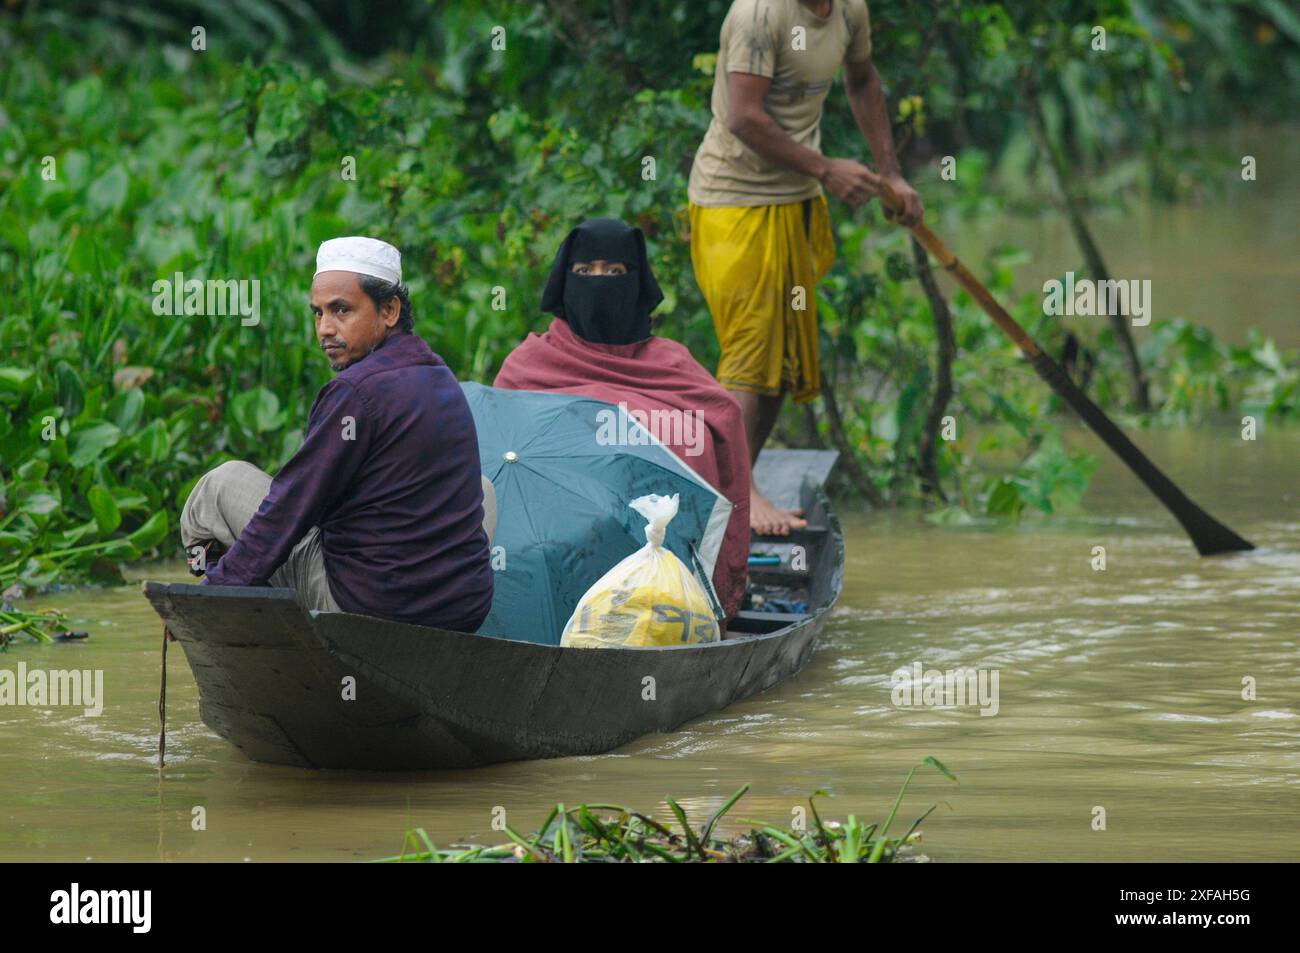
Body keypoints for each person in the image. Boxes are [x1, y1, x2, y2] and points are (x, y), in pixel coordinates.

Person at [687, 0, 924, 534]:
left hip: (793, 201)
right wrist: (826, 168)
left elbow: (863, 82)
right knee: (750, 350)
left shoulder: (848, 12)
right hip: (733, 201)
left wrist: (890, 173)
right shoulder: (758, 16)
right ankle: (740, 493)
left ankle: (739, 482)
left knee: (779, 361)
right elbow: (743, 116)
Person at [180, 236, 495, 633]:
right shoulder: (441, 376)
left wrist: (214, 589)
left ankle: (219, 596)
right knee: (483, 488)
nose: (325, 330)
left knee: (219, 487)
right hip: (460, 609)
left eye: (341, 310)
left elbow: (289, 508)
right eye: (318, 313)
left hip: (368, 607)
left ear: (390, 310)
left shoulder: (355, 392)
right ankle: (234, 587)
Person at [494, 218, 752, 623]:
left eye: (614, 272)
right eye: (585, 272)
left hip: (662, 580)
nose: (600, 283)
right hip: (552, 561)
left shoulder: (672, 364)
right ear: (566, 281)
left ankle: (694, 598)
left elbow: (724, 417)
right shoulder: (528, 366)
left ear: (637, 282)